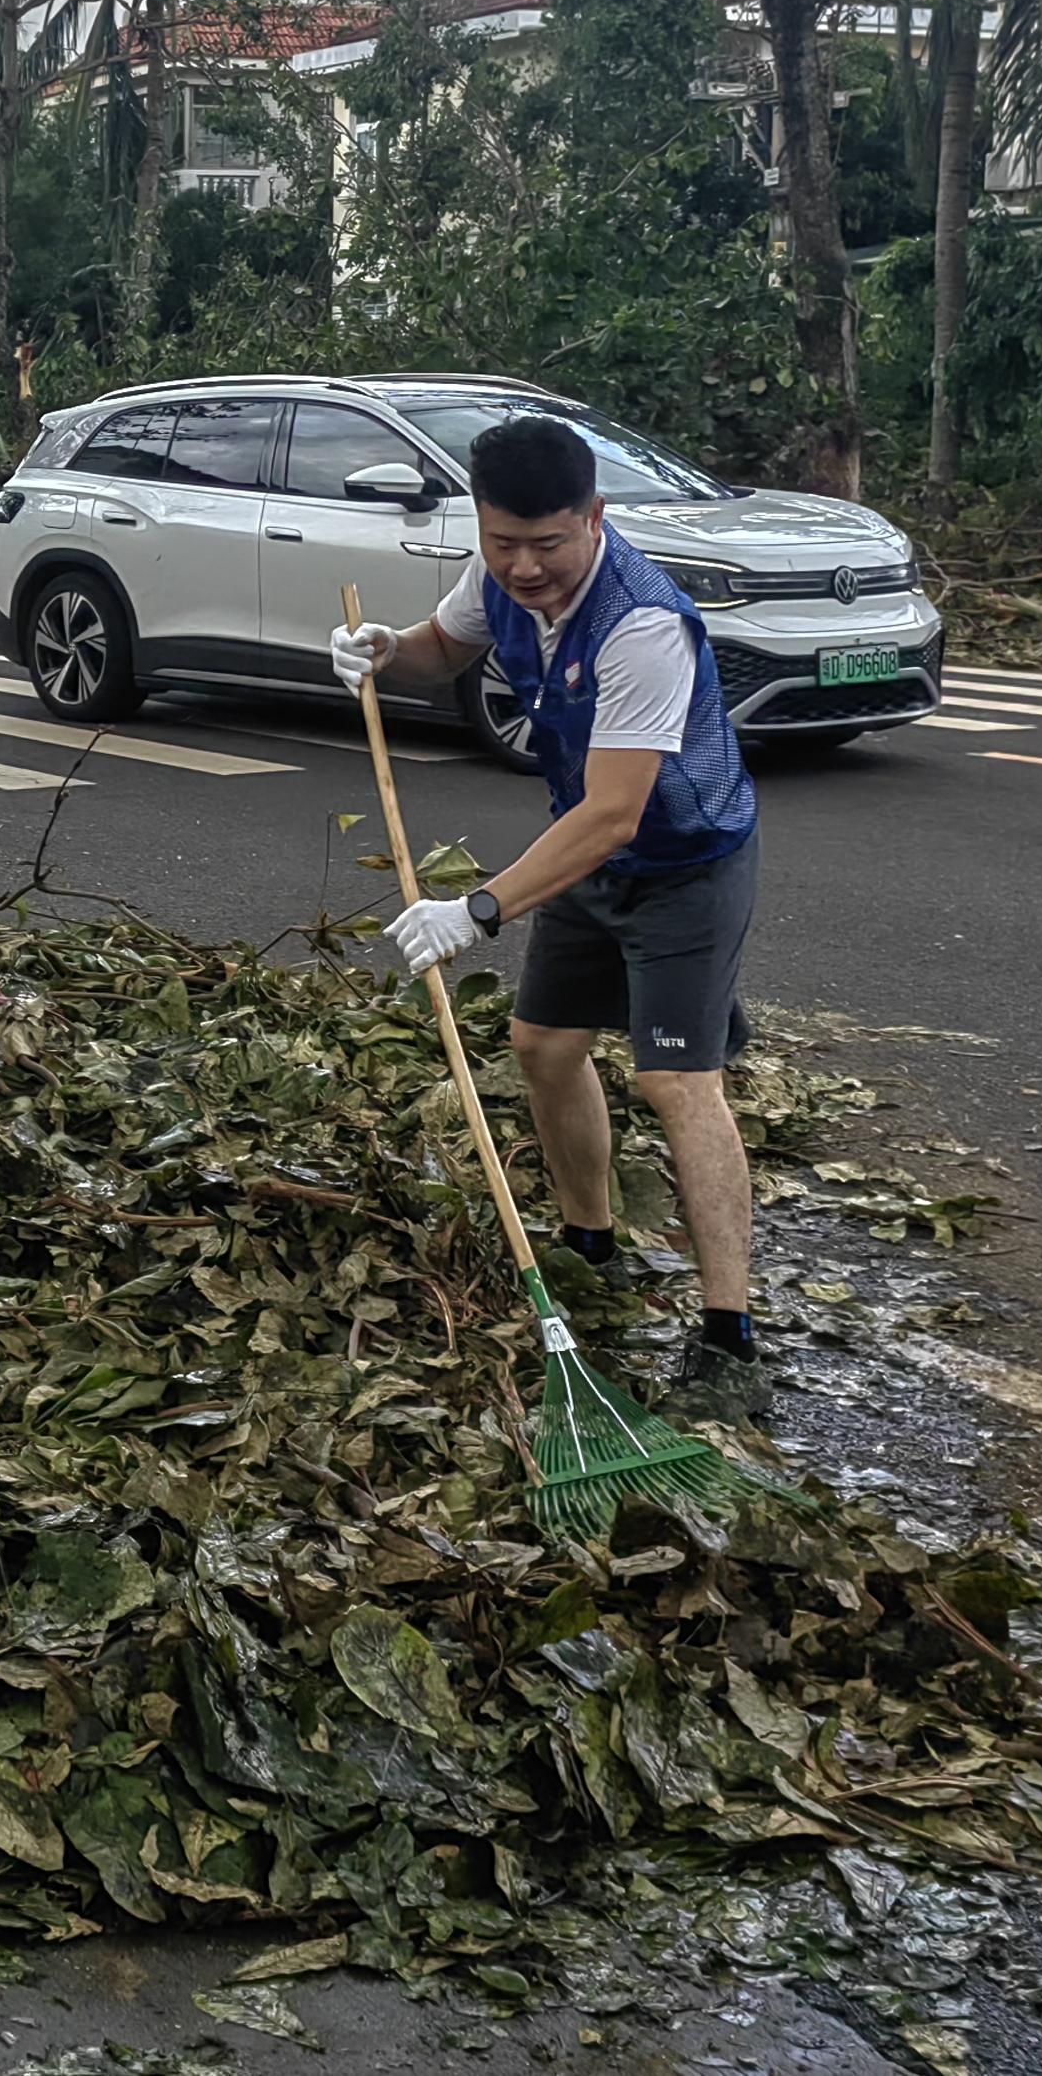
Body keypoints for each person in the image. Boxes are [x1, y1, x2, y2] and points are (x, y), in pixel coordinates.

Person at [324, 414, 775, 1421]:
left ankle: (727, 1332)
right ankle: (590, 1245)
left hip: (682, 864)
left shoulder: (642, 625)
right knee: (540, 1043)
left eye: (546, 544)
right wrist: (384, 649)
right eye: (501, 543)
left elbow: (614, 816)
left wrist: (476, 910)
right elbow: (446, 647)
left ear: (593, 518)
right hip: (585, 852)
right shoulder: (496, 576)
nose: (522, 568)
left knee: (674, 1078)